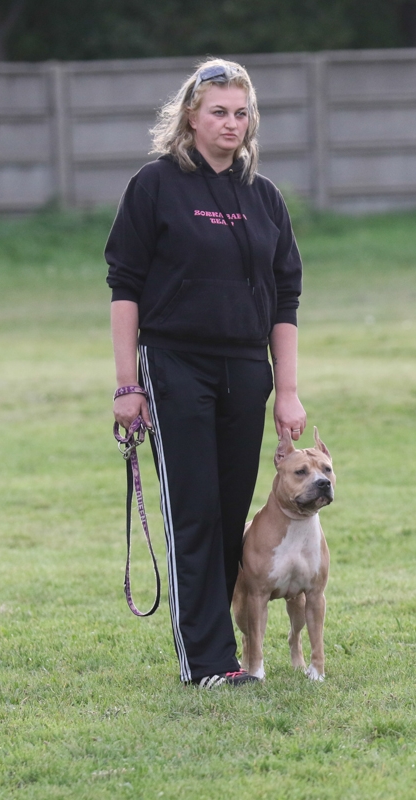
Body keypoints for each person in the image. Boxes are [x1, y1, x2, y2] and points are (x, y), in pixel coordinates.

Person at [105, 58, 306, 688]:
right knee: (194, 511)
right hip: (174, 364)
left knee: (228, 511)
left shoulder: (263, 197)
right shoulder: (155, 185)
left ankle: (220, 648)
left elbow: (285, 298)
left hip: (246, 369)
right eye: (218, 111)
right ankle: (208, 663)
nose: (231, 123)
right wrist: (128, 384)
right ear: (191, 115)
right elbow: (124, 286)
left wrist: (287, 390)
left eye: (241, 113)